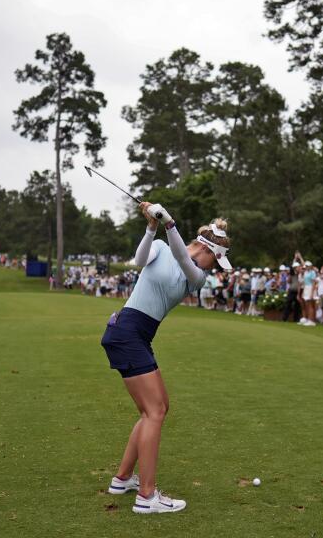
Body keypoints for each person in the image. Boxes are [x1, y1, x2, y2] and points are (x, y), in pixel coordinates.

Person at [100, 202, 232, 514]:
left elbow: (183, 259)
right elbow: (140, 259)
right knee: (154, 411)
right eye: (217, 260)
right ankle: (146, 496)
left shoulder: (195, 276)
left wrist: (170, 222)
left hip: (137, 336)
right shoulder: (160, 246)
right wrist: (152, 227)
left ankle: (122, 479)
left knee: (157, 408)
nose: (215, 267)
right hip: (128, 331)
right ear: (207, 248)